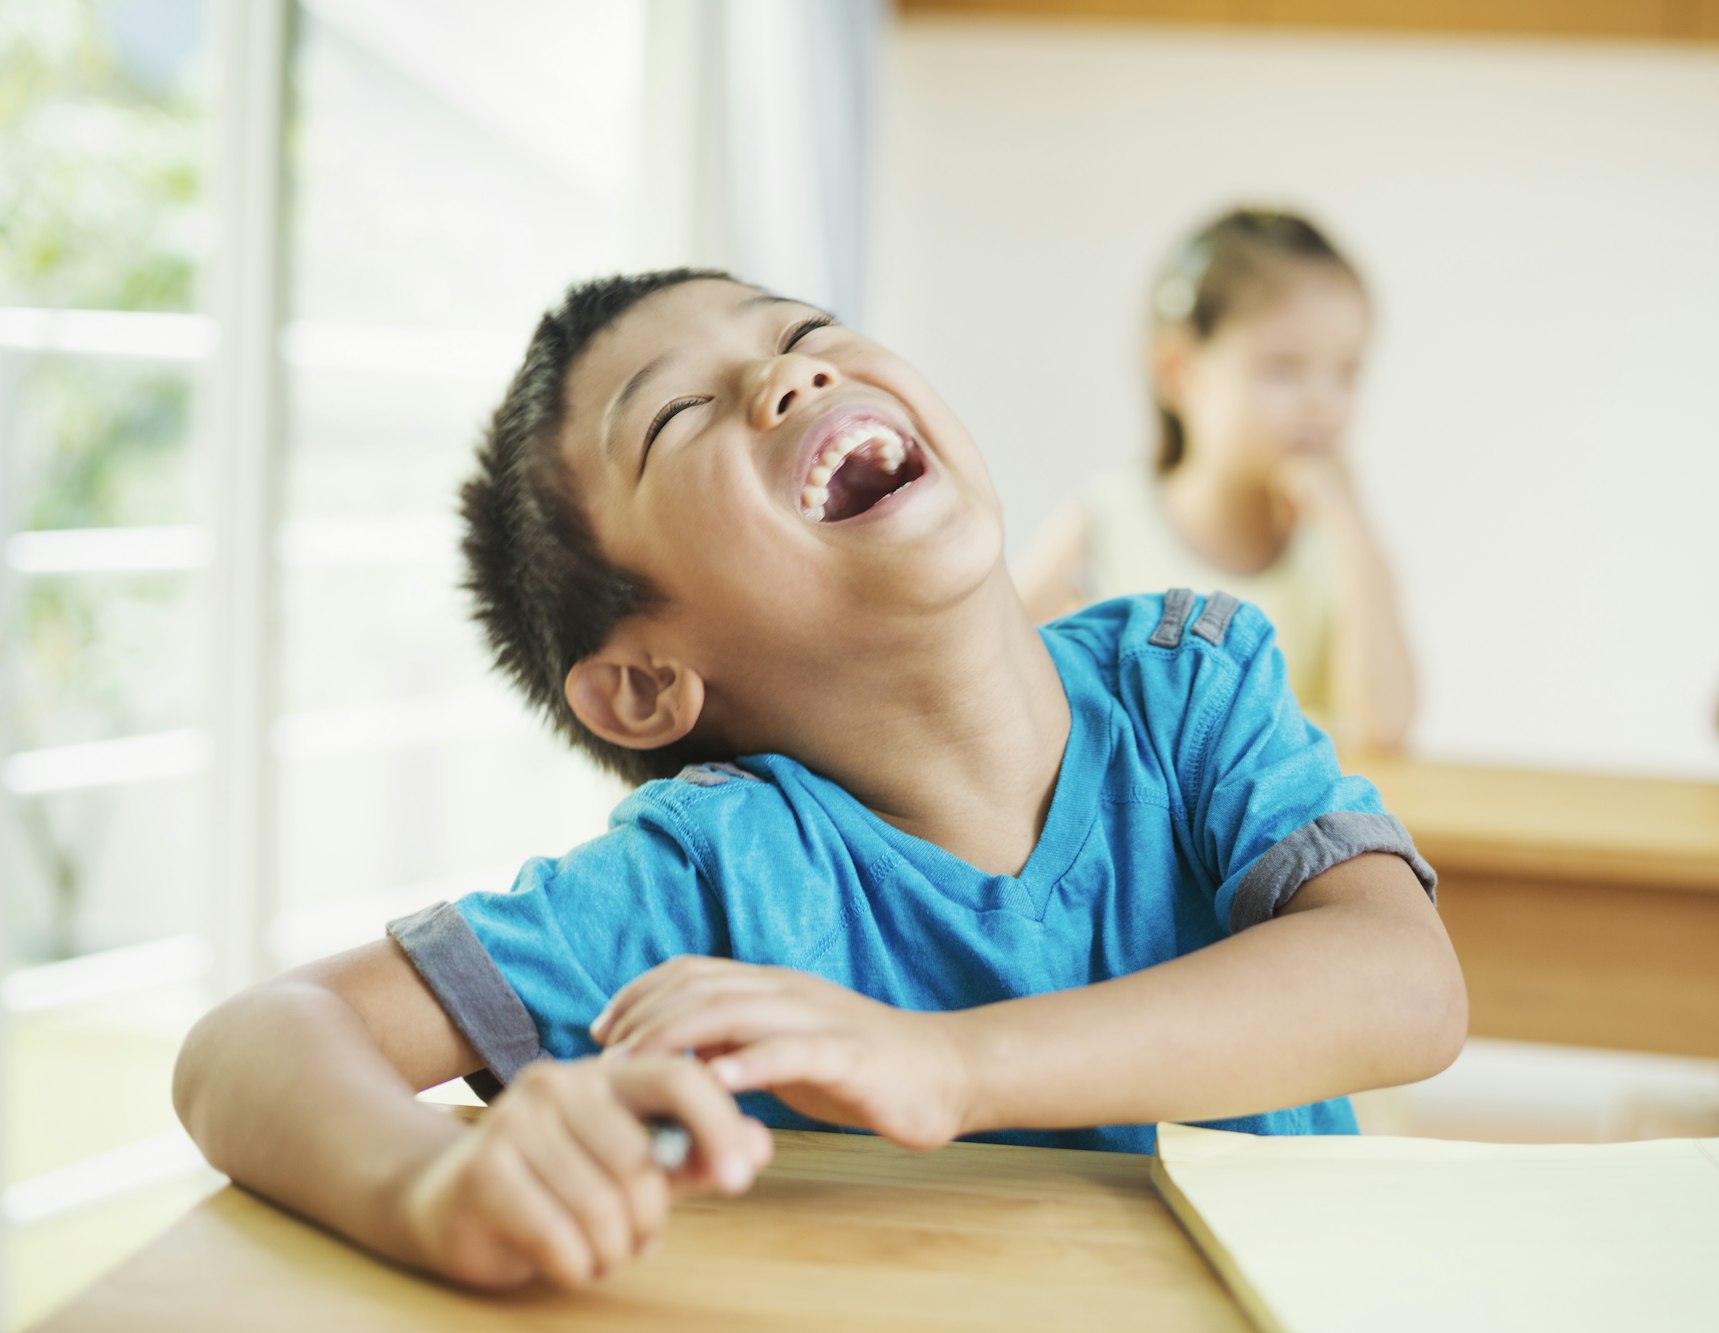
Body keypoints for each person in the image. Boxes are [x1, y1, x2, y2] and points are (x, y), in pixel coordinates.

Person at [173, 269, 1467, 1290]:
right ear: (646, 683)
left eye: (800, 331)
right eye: (677, 416)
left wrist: (946, 1065)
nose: (786, 374)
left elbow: (1406, 987)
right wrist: (431, 1189)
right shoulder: (715, 872)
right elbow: (251, 1041)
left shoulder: (1187, 683)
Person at [1015, 208, 1417, 750]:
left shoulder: (1335, 547)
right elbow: (987, 668)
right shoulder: (1106, 522)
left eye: (1347, 372)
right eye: (1284, 368)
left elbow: (1386, 728)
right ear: (1178, 370)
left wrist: (1352, 529)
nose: (1322, 402)